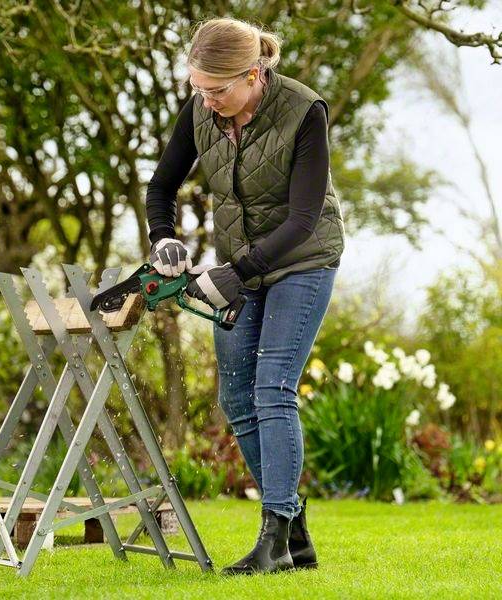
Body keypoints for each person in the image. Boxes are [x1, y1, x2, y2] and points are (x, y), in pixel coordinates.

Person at [146, 17, 345, 575]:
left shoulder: (305, 112)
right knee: (236, 399)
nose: (206, 102)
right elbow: (161, 187)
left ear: (253, 74)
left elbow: (304, 219)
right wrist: (165, 239)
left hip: (302, 260)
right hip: (243, 266)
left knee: (273, 387)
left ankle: (274, 537)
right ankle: (296, 537)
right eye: (197, 89)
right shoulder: (201, 112)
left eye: (217, 90)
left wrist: (234, 273)